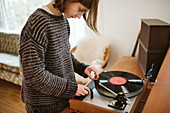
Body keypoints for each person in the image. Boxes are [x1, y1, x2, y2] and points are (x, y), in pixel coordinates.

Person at [19, 0, 100, 112]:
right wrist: (72, 89)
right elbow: (33, 75)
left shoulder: (63, 21)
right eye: (80, 10)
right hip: (43, 104)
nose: (79, 16)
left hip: (62, 97)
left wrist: (82, 68)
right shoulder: (37, 23)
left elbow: (64, 55)